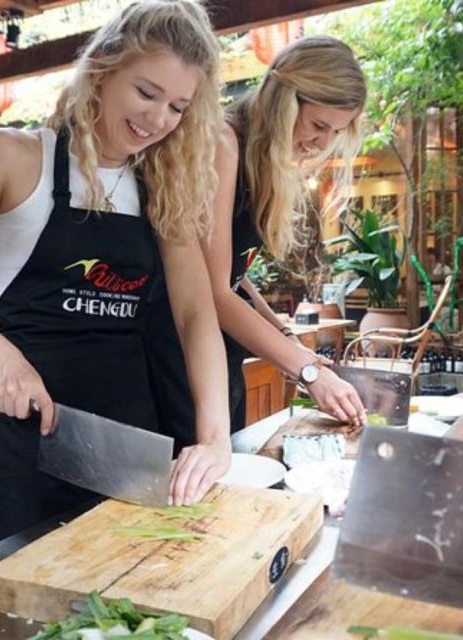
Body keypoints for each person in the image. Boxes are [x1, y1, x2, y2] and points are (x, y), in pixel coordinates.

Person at [0, 0, 232, 548]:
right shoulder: (10, 156)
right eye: (146, 92)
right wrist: (0, 355)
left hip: (130, 438)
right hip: (29, 430)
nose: (158, 120)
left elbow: (195, 313)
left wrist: (215, 438)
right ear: (104, 68)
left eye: (178, 107)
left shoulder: (162, 184)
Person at [145, 36, 368, 449]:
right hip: (176, 347)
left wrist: (286, 339)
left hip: (219, 351)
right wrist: (308, 370)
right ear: (285, 98)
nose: (322, 142)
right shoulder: (223, 143)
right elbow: (212, 292)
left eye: (335, 132)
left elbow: (235, 277)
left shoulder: (261, 158)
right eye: (318, 125)